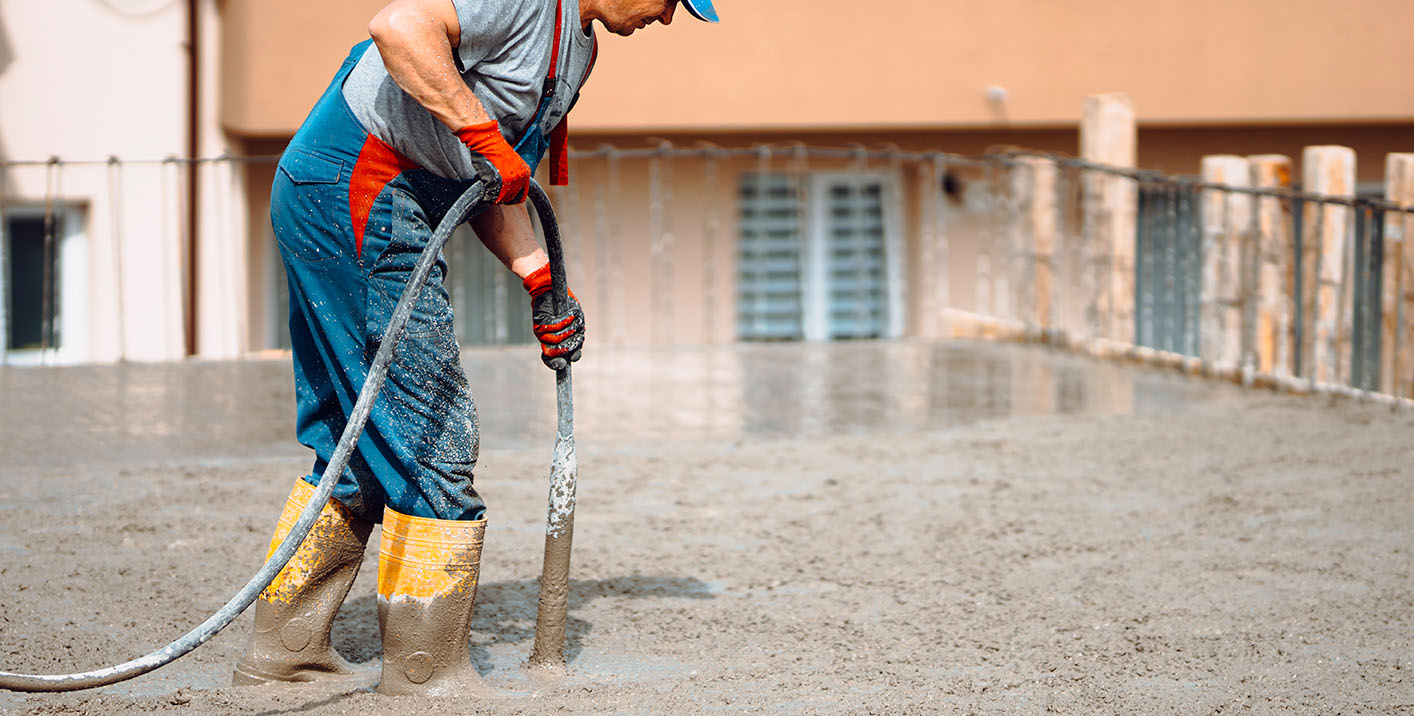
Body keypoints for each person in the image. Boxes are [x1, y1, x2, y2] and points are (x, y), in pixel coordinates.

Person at [232, 0, 719, 696]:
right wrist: (485, 136)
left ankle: (285, 651)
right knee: (433, 433)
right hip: (358, 182)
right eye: (671, 2)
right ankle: (426, 675)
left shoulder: (577, 51)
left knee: (361, 439)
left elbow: (496, 181)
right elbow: (398, 29)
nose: (668, 19)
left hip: (372, 192)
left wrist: (541, 282)